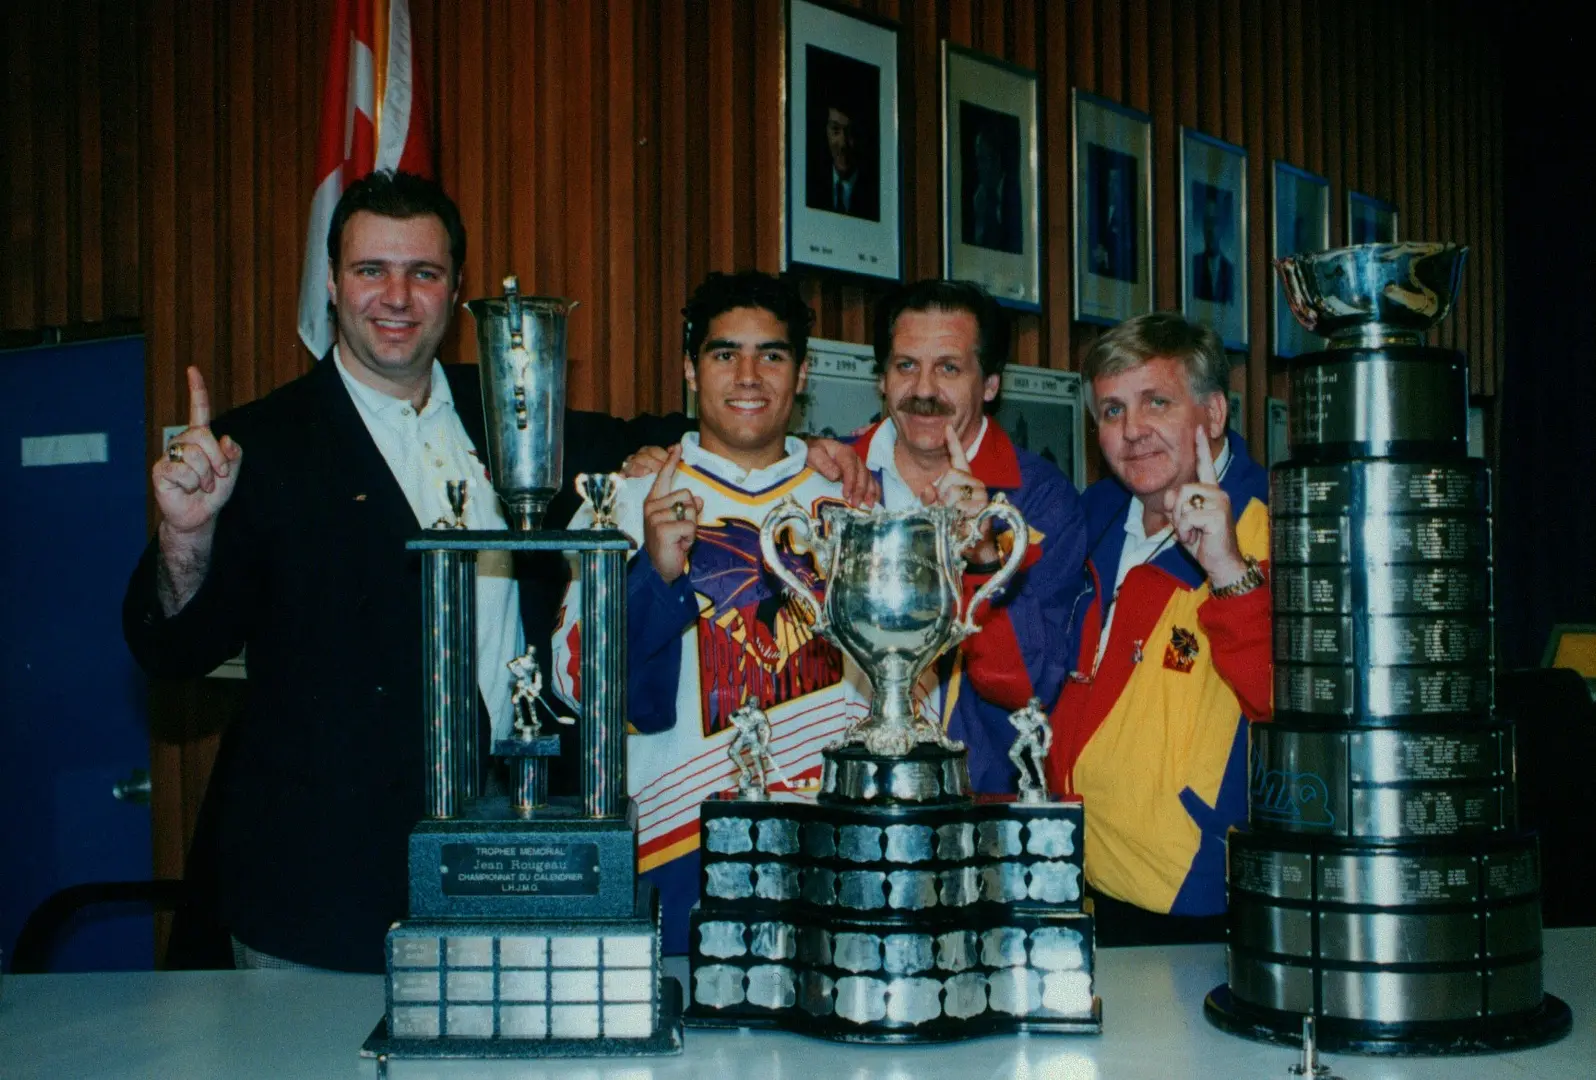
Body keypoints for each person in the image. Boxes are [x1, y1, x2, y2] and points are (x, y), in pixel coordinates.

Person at [551, 271, 869, 953]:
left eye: (772, 355)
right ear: (691, 372)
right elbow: (574, 683)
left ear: (802, 371)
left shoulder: (855, 505)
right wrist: (654, 576)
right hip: (676, 853)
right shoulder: (625, 500)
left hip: (833, 851)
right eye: (725, 354)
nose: (748, 375)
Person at [965, 311, 1271, 946]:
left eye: (1156, 402)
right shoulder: (1098, 512)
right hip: (1073, 872)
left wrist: (1228, 570)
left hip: (1195, 896)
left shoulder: (1275, 518)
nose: (1132, 432)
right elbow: (1029, 666)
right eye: (1111, 411)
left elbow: (1290, 701)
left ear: (1213, 415)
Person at [855, 279, 1086, 793]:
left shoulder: (1042, 502)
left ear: (990, 385)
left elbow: (1029, 686)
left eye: (949, 368)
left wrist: (985, 554)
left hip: (976, 808)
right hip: (848, 791)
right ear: (882, 379)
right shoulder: (834, 477)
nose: (923, 391)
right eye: (906, 365)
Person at [807, 88, 879, 221]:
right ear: (826, 131)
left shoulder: (876, 195)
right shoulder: (810, 186)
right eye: (835, 130)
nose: (843, 143)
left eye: (851, 132)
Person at [965, 123, 1022, 254]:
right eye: (979, 159)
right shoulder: (978, 198)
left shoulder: (1015, 193)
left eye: (985, 159)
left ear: (998, 160)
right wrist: (980, 220)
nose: (981, 168)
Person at [1191, 186, 1235, 304]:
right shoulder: (1193, 265)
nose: (1210, 229)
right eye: (1207, 222)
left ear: (1222, 227)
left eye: (1214, 222)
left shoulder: (1231, 271)